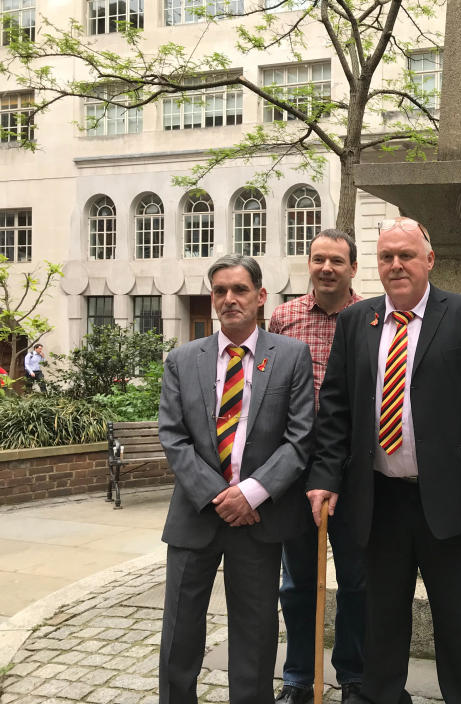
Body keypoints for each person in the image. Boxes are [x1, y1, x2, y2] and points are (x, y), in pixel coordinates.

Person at [306, 217, 461, 704]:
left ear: (429, 259)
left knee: (460, 618)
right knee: (381, 619)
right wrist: (324, 476)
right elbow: (335, 408)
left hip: (451, 497)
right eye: (386, 257)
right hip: (379, 499)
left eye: (405, 255)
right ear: (375, 265)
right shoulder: (358, 321)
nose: (395, 265)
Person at [158, 254, 315, 704]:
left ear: (261, 296)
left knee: (255, 630)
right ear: (212, 299)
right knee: (180, 631)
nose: (230, 299)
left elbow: (300, 438)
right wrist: (218, 495)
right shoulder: (183, 359)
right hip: (195, 516)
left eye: (240, 289)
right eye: (220, 290)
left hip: (258, 520)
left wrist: (250, 494)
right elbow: (174, 436)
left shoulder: (290, 356)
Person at [268, 229, 365, 704]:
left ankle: (352, 675)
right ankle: (298, 679)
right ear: (309, 263)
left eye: (337, 261)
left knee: (356, 580)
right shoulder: (284, 317)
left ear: (353, 268)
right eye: (318, 259)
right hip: (299, 469)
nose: (327, 268)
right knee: (298, 582)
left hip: (357, 469)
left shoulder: (371, 316)